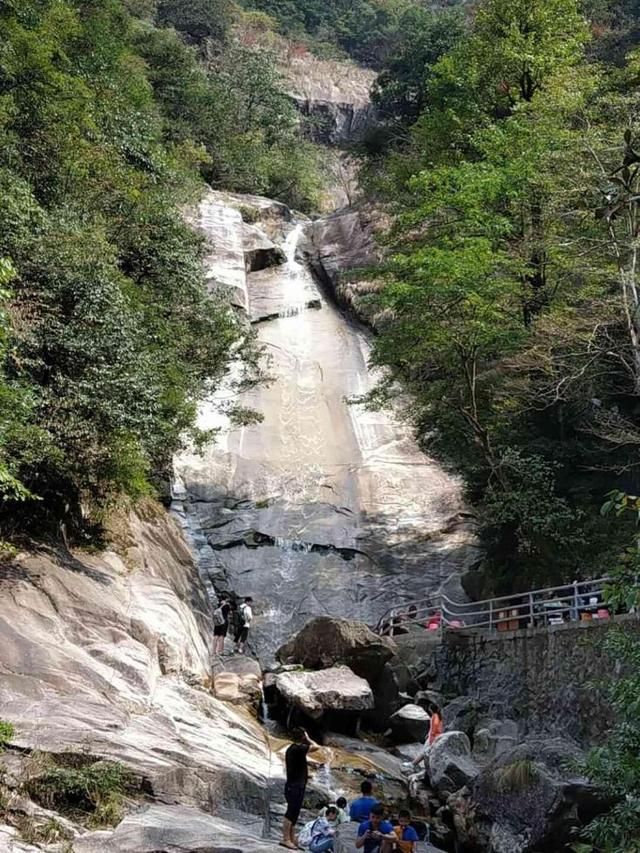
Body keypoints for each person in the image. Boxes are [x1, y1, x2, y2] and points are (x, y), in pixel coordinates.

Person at [282, 728, 320, 850]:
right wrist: (309, 739)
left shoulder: (293, 749)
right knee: (290, 812)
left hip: (296, 785)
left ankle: (292, 839)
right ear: (303, 737)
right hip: (294, 786)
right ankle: (286, 839)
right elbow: (316, 747)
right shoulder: (297, 749)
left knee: (295, 812)